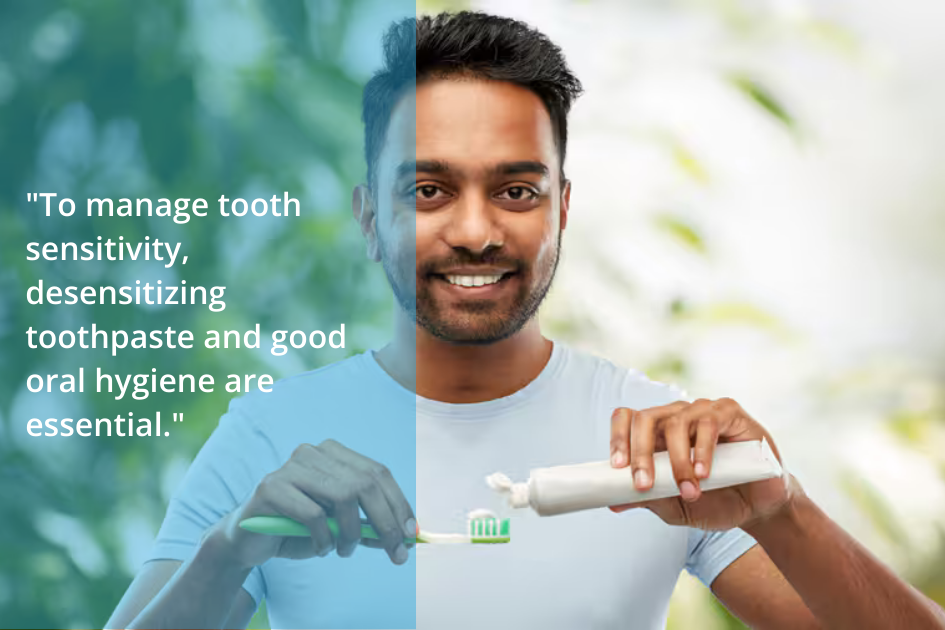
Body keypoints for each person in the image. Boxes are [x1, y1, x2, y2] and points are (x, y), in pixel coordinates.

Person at [106, 11, 945, 630]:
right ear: (368, 217)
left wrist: (780, 510)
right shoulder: (270, 437)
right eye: (428, 190)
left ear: (562, 209)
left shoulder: (654, 450)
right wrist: (227, 551)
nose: (475, 230)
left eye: (516, 190)